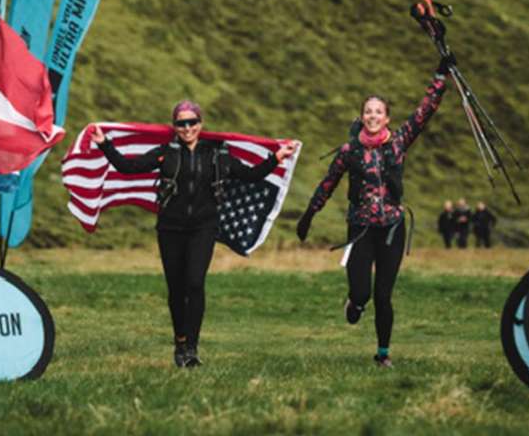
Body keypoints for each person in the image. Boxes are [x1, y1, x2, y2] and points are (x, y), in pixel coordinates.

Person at [89, 101, 297, 368]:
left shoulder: (217, 154)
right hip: (170, 229)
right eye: (181, 123)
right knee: (176, 289)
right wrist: (104, 143)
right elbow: (129, 168)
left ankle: (192, 349)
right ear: (174, 126)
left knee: (195, 283)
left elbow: (251, 175)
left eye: (192, 122)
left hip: (203, 227)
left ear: (201, 123)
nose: (187, 128)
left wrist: (276, 157)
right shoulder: (166, 152)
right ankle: (180, 339)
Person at [295, 58, 450, 368]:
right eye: (368, 111)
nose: (373, 116)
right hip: (360, 229)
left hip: (392, 228)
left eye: (379, 112)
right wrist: (310, 213)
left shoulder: (399, 142)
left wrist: (441, 75)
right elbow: (329, 182)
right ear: (362, 117)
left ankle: (383, 354)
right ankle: (354, 302)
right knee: (363, 292)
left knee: (383, 295)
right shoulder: (350, 151)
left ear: (387, 117)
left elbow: (425, 111)